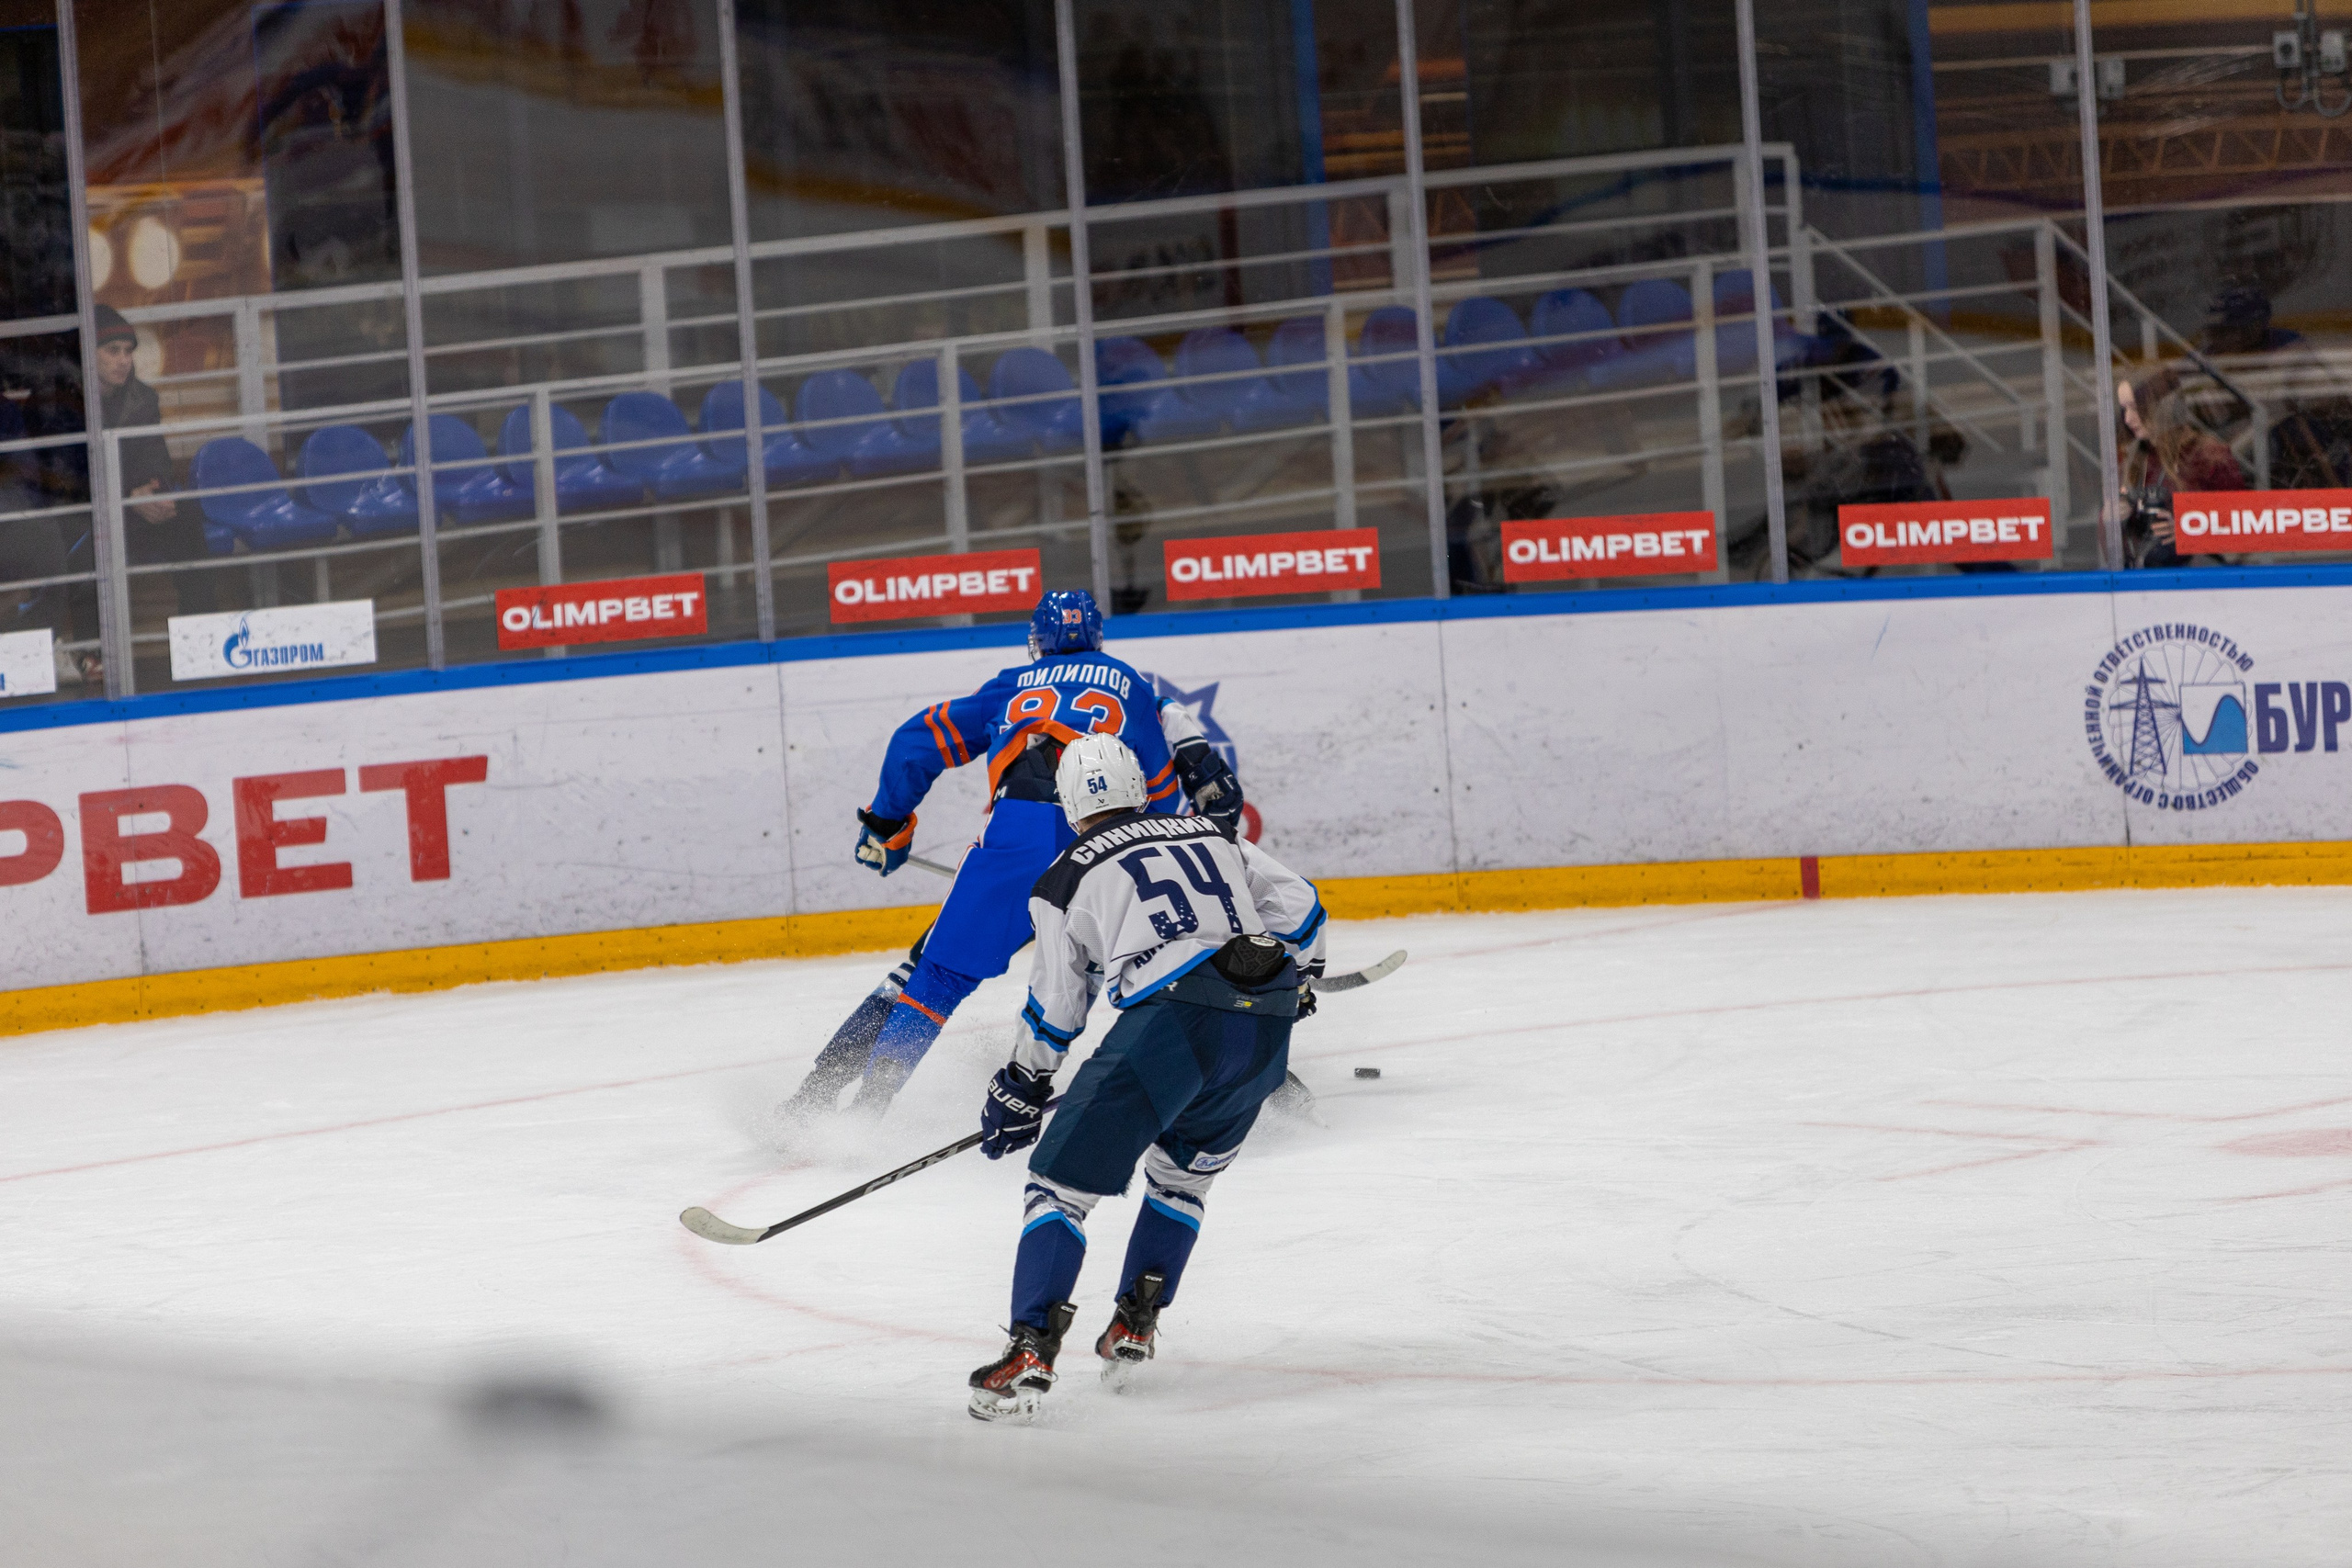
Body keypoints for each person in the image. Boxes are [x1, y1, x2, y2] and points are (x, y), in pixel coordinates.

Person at [964, 732, 1326, 1422]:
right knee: (1184, 1178)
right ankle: (1136, 1321)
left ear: (1071, 803)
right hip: (1263, 1024)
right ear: (1138, 783)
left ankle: (1030, 1347)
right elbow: (1301, 905)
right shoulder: (1211, 834)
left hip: (1173, 1023)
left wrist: (1022, 1082)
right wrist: (1301, 979)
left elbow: (1057, 1007)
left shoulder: (1064, 875)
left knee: (1057, 1189)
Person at [780, 589, 1246, 1120]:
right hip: (1103, 839)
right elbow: (1158, 787)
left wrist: (889, 823)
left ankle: (853, 1110)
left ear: (1038, 642)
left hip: (1018, 831)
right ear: (1097, 638)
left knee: (934, 976)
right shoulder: (1131, 683)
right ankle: (1237, 1067)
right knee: (1160, 959)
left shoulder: (1013, 684)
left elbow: (915, 741)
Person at [91, 305, 215, 616]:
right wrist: (126, 498)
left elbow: (156, 458)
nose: (124, 361)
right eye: (113, 350)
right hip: (91, 515)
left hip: (135, 509)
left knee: (184, 514)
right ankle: (95, 655)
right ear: (87, 352)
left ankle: (198, 629)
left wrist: (149, 491)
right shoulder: (62, 402)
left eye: (129, 351)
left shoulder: (144, 399)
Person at [2117, 367, 2246, 570]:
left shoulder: (2206, 455)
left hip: (2200, 581)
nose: (2128, 419)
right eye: (2124, 409)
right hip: (2144, 578)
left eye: (2134, 408)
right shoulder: (2134, 460)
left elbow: (2242, 524)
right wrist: (2112, 517)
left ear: (2159, 407)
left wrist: (2189, 532)